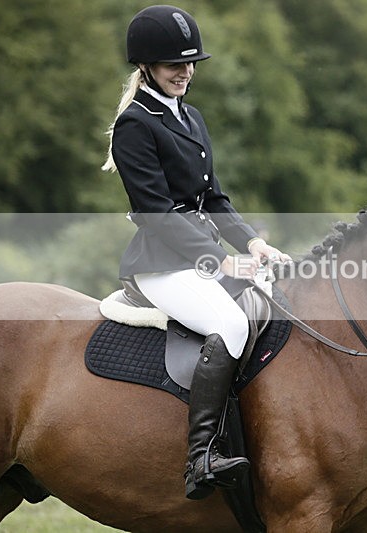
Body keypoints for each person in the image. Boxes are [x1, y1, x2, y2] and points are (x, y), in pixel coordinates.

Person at [102, 5, 291, 500]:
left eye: (191, 63)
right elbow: (156, 213)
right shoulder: (135, 125)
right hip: (160, 263)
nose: (185, 72)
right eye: (173, 64)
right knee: (228, 325)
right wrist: (221, 259)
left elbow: (214, 199)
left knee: (277, 294)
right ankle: (201, 456)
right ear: (145, 66)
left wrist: (251, 242)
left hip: (201, 251)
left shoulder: (190, 116)